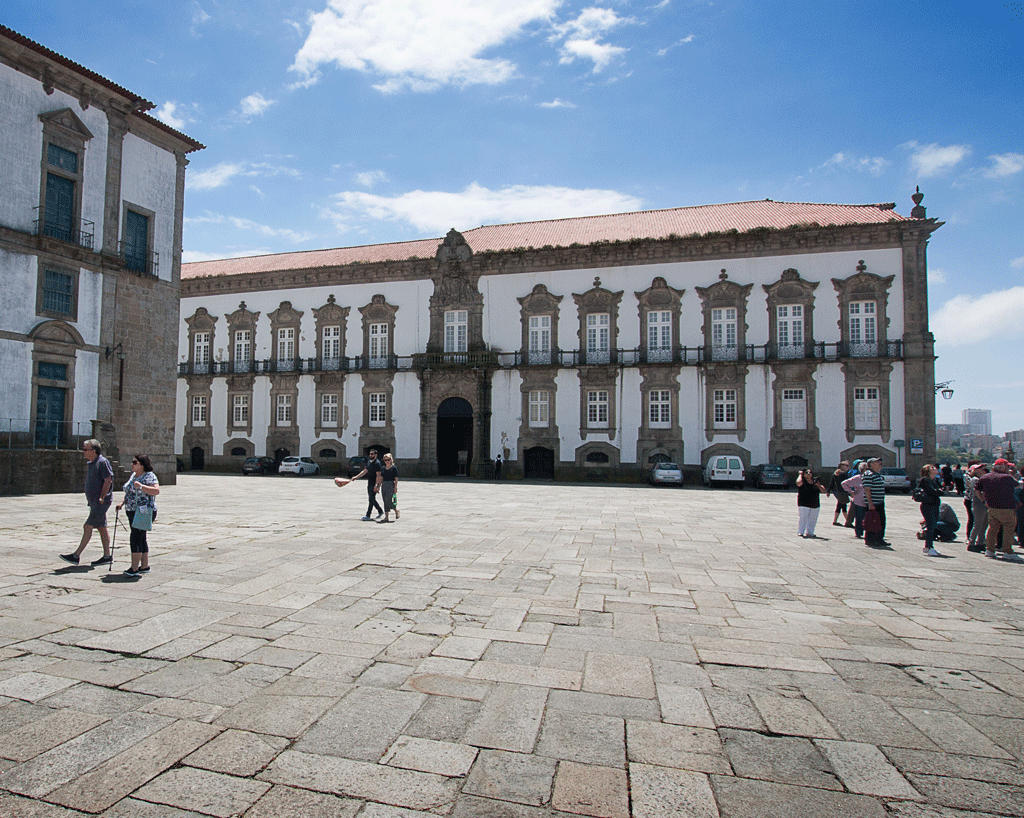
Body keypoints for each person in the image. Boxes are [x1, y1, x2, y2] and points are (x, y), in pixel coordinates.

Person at [60, 439, 114, 566]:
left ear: (93, 451)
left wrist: (102, 496)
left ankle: (76, 555)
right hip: (94, 502)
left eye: (85, 449)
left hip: (101, 502)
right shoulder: (91, 463)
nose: (83, 452)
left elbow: (108, 480)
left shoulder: (102, 462)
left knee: (87, 526)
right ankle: (107, 556)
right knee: (101, 528)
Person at [116, 455, 160, 577]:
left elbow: (156, 490)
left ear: (142, 464)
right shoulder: (133, 476)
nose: (132, 464)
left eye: (135, 462)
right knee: (141, 537)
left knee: (135, 537)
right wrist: (122, 502)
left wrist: (141, 486)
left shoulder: (149, 476)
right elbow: (129, 492)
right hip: (132, 510)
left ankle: (134, 568)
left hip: (143, 511)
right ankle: (144, 566)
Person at [977, 458, 1019, 559]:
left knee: (992, 529)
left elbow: (977, 490)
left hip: (992, 507)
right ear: (1002, 467)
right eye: (1007, 466)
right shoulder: (1008, 477)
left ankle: (989, 550)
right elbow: (1017, 486)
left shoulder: (985, 477)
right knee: (1009, 528)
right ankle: (1007, 551)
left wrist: (984, 501)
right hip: (1007, 507)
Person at [349, 449, 384, 521]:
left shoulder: (377, 463)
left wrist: (377, 486)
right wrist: (356, 477)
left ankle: (368, 515)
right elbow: (365, 471)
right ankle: (380, 511)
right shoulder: (369, 462)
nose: (370, 455)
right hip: (369, 483)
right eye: (370, 454)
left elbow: (378, 476)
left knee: (371, 499)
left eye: (372, 454)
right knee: (372, 499)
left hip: (374, 483)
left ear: (375, 455)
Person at [916, 464, 943, 557]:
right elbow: (934, 492)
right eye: (932, 468)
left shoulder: (933, 480)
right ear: (927, 471)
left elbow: (940, 490)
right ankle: (929, 547)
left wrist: (938, 490)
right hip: (928, 505)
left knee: (933, 525)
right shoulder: (926, 480)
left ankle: (929, 546)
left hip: (934, 505)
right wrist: (938, 491)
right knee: (931, 526)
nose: (935, 468)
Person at [862, 457, 888, 547]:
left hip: (879, 501)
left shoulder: (877, 474)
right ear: (871, 464)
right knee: (872, 521)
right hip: (873, 502)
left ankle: (879, 538)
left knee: (881, 521)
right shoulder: (868, 474)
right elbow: (867, 489)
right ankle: (871, 540)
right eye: (877, 462)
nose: (879, 463)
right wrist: (870, 503)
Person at [796, 468, 826, 538]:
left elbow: (823, 490)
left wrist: (819, 486)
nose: (809, 474)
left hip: (815, 502)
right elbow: (798, 483)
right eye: (806, 472)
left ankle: (810, 532)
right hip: (803, 502)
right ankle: (801, 531)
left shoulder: (815, 481)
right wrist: (800, 474)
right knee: (803, 518)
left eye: (810, 472)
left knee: (813, 519)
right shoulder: (802, 481)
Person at [842, 462, 869, 539]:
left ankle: (868, 531)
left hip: (869, 500)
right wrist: (851, 492)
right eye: (865, 469)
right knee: (859, 517)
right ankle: (858, 532)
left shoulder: (870, 477)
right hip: (859, 500)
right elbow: (844, 483)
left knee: (867, 517)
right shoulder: (857, 478)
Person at [967, 463, 989, 552]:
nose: (983, 470)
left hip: (983, 504)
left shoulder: (981, 479)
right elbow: (976, 491)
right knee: (978, 524)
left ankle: (980, 542)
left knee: (984, 524)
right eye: (980, 468)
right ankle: (971, 543)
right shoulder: (975, 479)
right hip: (978, 504)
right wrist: (983, 500)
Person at [375, 453, 400, 523]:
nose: (387, 461)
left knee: (387, 500)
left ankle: (396, 510)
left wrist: (395, 487)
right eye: (385, 460)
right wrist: (378, 487)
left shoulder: (394, 468)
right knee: (384, 501)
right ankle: (386, 517)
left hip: (390, 484)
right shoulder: (383, 468)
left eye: (388, 460)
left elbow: (396, 478)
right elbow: (381, 478)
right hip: (384, 485)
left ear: (391, 460)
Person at [826, 461, 852, 527]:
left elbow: (831, 482)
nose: (847, 467)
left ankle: (836, 521)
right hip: (841, 491)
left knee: (840, 505)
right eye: (846, 465)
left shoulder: (836, 472)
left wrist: (828, 491)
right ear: (841, 466)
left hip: (838, 491)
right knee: (843, 505)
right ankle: (848, 522)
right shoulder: (842, 473)